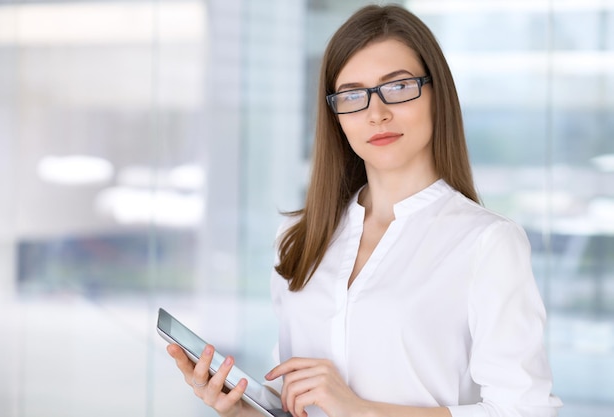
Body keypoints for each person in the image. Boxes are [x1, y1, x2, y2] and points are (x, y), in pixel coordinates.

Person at [167, 4, 562, 417]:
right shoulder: (304, 240)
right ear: (335, 114)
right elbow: (298, 401)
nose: (377, 113)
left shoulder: (487, 243)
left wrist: (361, 410)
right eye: (353, 95)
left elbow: (525, 410)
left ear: (437, 94)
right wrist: (242, 410)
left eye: (399, 86)